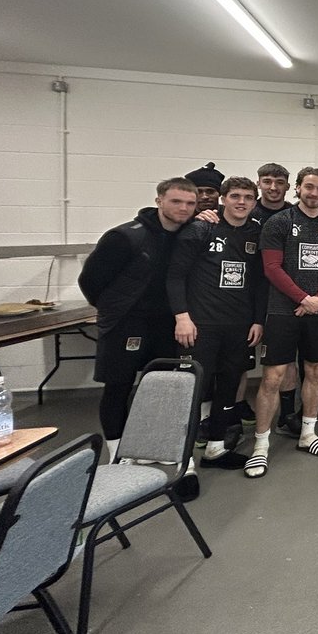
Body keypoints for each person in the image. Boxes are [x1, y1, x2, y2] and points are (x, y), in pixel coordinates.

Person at [79, 177, 198, 471]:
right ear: (159, 200)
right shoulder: (125, 237)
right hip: (125, 324)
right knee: (118, 386)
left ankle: (156, 447)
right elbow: (90, 281)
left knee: (165, 388)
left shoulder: (191, 235)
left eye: (190, 203)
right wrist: (115, 311)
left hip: (169, 324)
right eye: (176, 201)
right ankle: (117, 453)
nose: (183, 208)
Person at [246, 167, 318, 478]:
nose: (314, 193)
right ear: (299, 189)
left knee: (316, 371)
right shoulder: (279, 223)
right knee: (273, 377)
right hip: (281, 311)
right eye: (309, 187)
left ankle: (308, 434)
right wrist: (303, 298)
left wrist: (317, 300)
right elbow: (272, 268)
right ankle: (261, 446)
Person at [167, 176, 266, 470]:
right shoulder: (200, 228)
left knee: (228, 387)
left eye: (248, 197)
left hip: (238, 326)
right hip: (200, 326)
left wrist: (258, 320)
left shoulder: (255, 232)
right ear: (223, 198)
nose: (241, 202)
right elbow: (175, 276)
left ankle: (216, 448)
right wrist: (182, 317)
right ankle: (184, 465)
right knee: (192, 392)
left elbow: (261, 283)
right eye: (235, 196)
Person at [252, 162, 300, 434]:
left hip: (285, 295)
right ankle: (228, 418)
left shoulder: (294, 215)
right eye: (267, 181)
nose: (273, 187)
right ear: (258, 182)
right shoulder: (247, 210)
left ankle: (288, 413)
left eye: (278, 182)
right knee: (239, 361)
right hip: (248, 295)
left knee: (287, 359)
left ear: (287, 186)